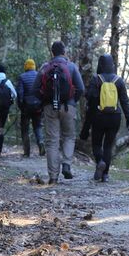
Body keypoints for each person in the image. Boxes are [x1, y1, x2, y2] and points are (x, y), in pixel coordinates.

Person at [33, 41, 85, 184]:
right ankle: (66, 164)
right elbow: (80, 88)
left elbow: (34, 89)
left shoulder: (45, 67)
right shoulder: (72, 66)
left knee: (52, 142)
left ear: (52, 52)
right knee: (69, 136)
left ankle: (53, 177)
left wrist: (45, 101)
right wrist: (73, 101)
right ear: (64, 52)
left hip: (50, 107)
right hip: (69, 106)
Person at [80, 54, 129, 182]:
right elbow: (125, 101)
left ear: (100, 64)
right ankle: (105, 175)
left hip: (99, 116)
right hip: (115, 117)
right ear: (112, 65)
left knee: (97, 144)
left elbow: (90, 100)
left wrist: (87, 125)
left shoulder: (96, 80)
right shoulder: (119, 81)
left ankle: (100, 163)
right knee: (108, 146)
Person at [16, 59, 46, 157]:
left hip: (26, 106)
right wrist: (42, 105)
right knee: (37, 126)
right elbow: (43, 91)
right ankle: (41, 142)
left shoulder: (22, 77)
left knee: (25, 129)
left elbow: (20, 94)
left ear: (26, 66)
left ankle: (27, 152)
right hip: (38, 106)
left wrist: (21, 106)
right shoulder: (39, 76)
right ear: (34, 66)